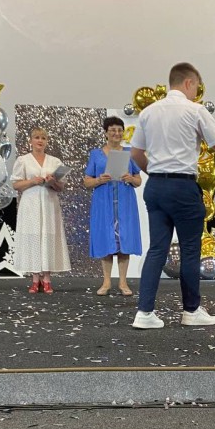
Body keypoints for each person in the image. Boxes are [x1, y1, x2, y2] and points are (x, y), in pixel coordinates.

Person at [130, 62, 215, 329]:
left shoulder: (148, 112)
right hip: (183, 187)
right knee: (189, 250)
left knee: (157, 249)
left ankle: (144, 312)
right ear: (188, 82)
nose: (196, 92)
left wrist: (156, 172)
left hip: (155, 186)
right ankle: (191, 310)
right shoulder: (195, 110)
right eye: (196, 86)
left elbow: (136, 154)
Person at [83, 117, 142, 296]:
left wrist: (131, 178)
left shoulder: (129, 153)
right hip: (103, 202)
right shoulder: (96, 154)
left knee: (124, 241)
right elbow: (87, 181)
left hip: (125, 202)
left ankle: (123, 283)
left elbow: (138, 180)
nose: (116, 133)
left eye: (119, 130)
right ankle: (106, 282)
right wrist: (99, 180)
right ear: (106, 133)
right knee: (106, 240)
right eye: (113, 130)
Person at [11, 126, 71, 293]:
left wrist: (52, 182)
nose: (40, 141)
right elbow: (16, 184)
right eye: (37, 137)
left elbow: (60, 187)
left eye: (43, 138)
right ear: (31, 141)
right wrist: (32, 181)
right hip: (30, 204)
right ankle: (35, 279)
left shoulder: (54, 162)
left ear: (47, 142)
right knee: (33, 237)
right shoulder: (23, 160)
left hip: (49, 204)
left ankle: (47, 279)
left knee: (47, 237)